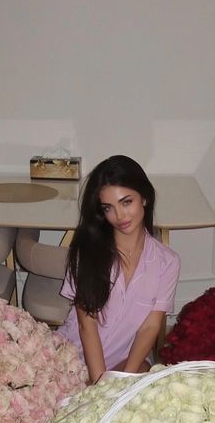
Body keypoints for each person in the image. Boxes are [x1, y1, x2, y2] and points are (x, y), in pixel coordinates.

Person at [57, 155, 181, 384]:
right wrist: (99, 386)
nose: (120, 216)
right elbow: (87, 324)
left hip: (121, 362)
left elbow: (150, 327)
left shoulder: (167, 262)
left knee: (145, 382)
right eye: (108, 208)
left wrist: (124, 378)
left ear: (144, 198)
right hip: (71, 356)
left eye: (126, 202)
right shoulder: (87, 251)